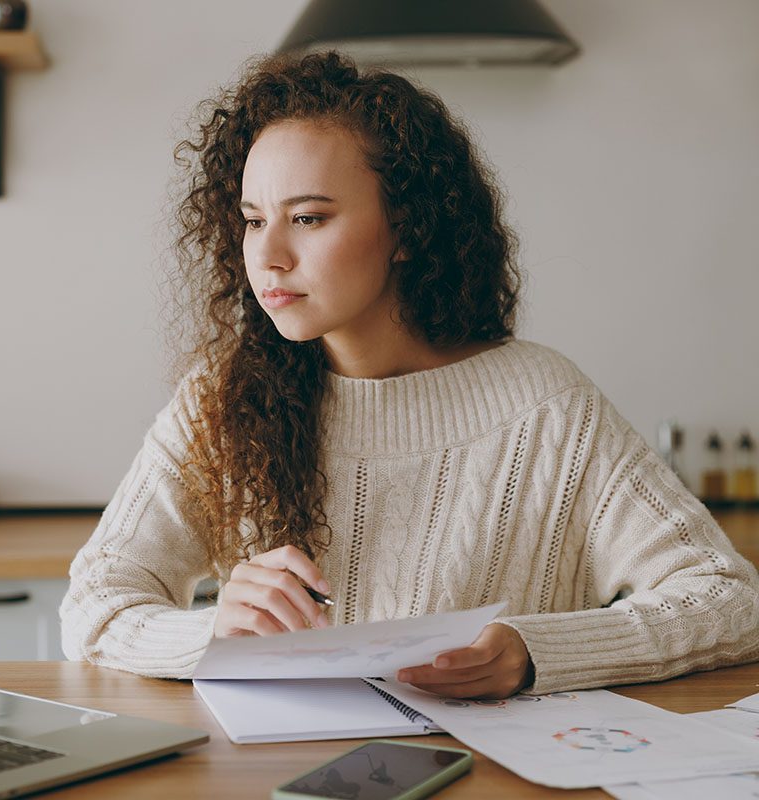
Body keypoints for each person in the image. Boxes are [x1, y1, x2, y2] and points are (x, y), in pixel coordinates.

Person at [59, 51, 759, 699]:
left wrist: (534, 650)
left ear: (404, 229)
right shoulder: (220, 402)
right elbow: (93, 606)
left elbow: (728, 598)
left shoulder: (549, 408)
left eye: (307, 217)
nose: (266, 255)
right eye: (251, 220)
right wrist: (212, 634)